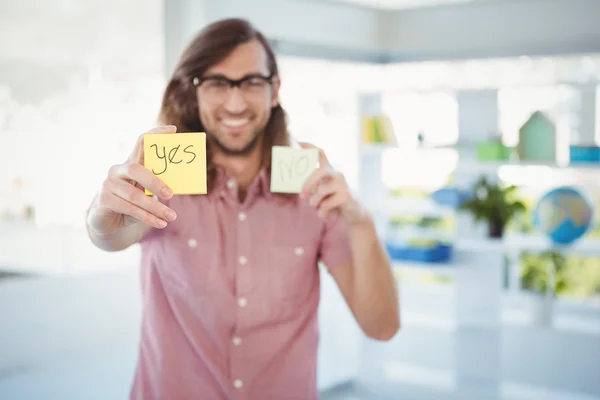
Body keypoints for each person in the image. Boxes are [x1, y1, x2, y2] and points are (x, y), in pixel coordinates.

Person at [85, 18, 400, 400]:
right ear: (194, 90)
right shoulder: (163, 179)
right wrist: (102, 216)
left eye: (251, 82)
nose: (235, 103)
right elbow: (113, 233)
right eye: (218, 83)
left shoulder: (313, 188)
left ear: (275, 89)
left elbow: (382, 327)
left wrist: (360, 220)